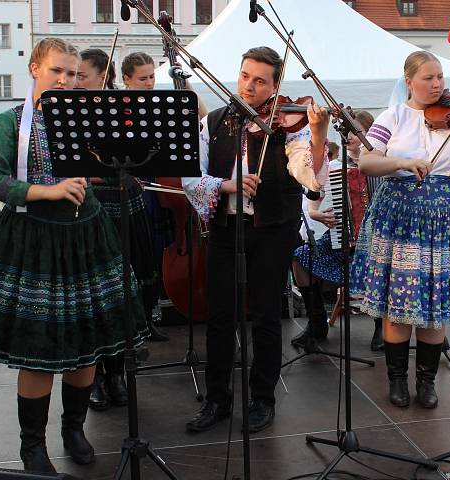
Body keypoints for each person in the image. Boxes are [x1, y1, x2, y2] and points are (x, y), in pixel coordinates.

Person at [0, 38, 147, 474]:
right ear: (35, 68)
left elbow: (117, 162)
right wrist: (44, 190)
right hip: (34, 241)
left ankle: (74, 428)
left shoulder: (83, 118)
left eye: (72, 74)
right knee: (37, 351)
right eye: (57, 72)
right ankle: (32, 445)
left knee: (87, 345)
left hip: (86, 236)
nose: (66, 80)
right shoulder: (9, 122)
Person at [182, 46, 329, 433]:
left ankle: (263, 398)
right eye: (246, 75)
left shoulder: (288, 126)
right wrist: (228, 185)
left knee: (265, 315)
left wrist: (317, 133)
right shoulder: (213, 122)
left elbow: (306, 170)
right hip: (226, 229)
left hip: (273, 229)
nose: (250, 85)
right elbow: (190, 176)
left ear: (276, 85)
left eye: (260, 80)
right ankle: (216, 399)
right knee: (219, 316)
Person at [351, 51, 450, 409]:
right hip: (400, 217)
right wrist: (403, 161)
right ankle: (396, 380)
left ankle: (426, 382)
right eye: (428, 78)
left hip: (445, 219)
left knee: (436, 305)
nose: (437, 84)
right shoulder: (392, 116)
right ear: (409, 81)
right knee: (399, 303)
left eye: (440, 77)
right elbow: (367, 160)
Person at [76, 48, 159, 411]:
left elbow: (144, 155)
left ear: (102, 76)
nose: (74, 82)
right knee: (93, 297)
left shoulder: (123, 108)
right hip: (90, 209)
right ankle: (93, 377)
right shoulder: (68, 111)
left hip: (123, 202)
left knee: (123, 293)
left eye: (81, 76)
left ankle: (116, 373)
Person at [290, 110, 386, 351]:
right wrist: (315, 212)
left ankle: (380, 325)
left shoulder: (384, 164)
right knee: (299, 258)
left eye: (356, 131)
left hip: (378, 243)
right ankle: (316, 321)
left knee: (379, 262)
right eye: (346, 131)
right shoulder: (334, 167)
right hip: (341, 237)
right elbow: (315, 193)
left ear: (369, 134)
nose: (351, 136)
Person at [120, 52, 170, 342]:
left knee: (153, 251)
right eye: (143, 78)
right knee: (137, 253)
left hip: (153, 183)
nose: (150, 83)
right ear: (127, 79)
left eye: (152, 77)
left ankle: (149, 316)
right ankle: (134, 321)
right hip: (130, 186)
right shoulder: (118, 110)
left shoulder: (156, 106)